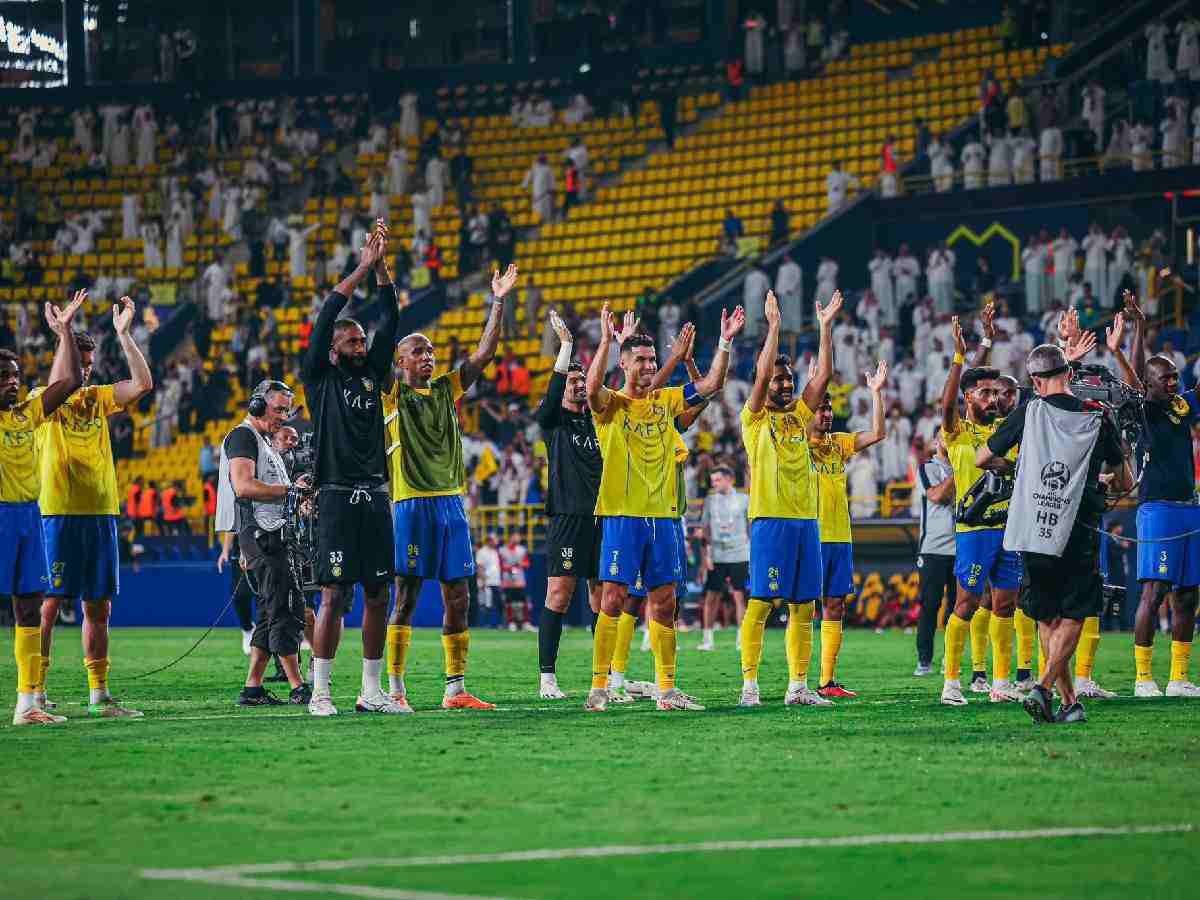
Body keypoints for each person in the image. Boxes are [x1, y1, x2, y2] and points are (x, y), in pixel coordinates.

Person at [584, 302, 744, 712]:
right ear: (623, 364)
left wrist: (724, 341)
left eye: (652, 359)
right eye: (640, 359)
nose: (646, 366)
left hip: (665, 518)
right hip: (622, 515)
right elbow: (590, 389)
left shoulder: (666, 402)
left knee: (666, 600)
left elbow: (709, 386)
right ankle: (600, 685)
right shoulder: (612, 406)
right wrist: (605, 340)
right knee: (613, 599)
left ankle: (666, 689)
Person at [384, 264, 519, 713]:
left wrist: (497, 300)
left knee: (458, 594)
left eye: (432, 351)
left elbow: (484, 354)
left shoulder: (446, 389)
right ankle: (395, 688)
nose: (429, 357)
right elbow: (383, 339)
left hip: (451, 505)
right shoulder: (391, 396)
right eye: (419, 352)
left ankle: (454, 688)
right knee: (405, 596)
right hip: (411, 503)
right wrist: (383, 274)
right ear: (400, 362)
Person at [978, 343, 1131, 724]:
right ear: (1070, 373)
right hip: (1078, 526)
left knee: (1046, 615)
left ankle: (1067, 704)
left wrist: (1022, 468)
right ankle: (1046, 688)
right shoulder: (1096, 414)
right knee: (1075, 611)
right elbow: (1123, 479)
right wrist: (1105, 481)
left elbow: (983, 458)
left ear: (1034, 380)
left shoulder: (1027, 412)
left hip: (1034, 523)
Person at [300, 221, 403, 717]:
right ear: (335, 349)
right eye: (354, 343)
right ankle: (321, 691)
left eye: (364, 342)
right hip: (337, 494)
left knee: (380, 591)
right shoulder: (319, 377)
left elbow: (392, 314)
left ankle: (370, 690)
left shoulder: (372, 375)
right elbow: (327, 313)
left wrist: (383, 264)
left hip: (376, 493)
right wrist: (363, 264)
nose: (363, 348)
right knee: (334, 594)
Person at [33, 295, 153, 716]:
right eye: (78, 362)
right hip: (58, 512)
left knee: (98, 606)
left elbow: (142, 385)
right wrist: (64, 331)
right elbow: (56, 387)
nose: (84, 370)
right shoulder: (41, 398)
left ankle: (99, 695)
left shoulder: (99, 397)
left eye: (88, 364)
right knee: (48, 605)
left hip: (100, 511)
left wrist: (124, 335)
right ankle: (35, 694)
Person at [737, 290, 843, 707]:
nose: (784, 384)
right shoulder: (755, 417)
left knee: (804, 606)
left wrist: (825, 326)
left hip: (807, 521)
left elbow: (825, 376)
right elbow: (761, 376)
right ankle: (750, 686)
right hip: (771, 520)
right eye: (779, 379)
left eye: (789, 380)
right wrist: (774, 327)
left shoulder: (800, 416)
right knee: (762, 603)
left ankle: (798, 687)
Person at [5, 292, 85, 726]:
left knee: (29, 608)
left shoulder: (25, 415)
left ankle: (27, 704)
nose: (12, 382)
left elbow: (69, 383)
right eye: (3, 376)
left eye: (15, 375)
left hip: (27, 518)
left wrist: (64, 332)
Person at [937, 316, 1024, 706]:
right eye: (985, 394)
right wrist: (962, 353)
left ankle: (1001, 683)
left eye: (996, 393)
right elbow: (948, 399)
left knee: (1005, 604)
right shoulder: (957, 431)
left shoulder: (1004, 429)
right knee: (967, 604)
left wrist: (986, 342)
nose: (993, 399)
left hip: (1009, 527)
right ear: (969, 397)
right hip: (974, 529)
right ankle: (951, 682)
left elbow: (980, 380)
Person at [1117, 297, 1200, 698]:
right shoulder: (1145, 410)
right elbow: (1133, 380)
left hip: (1189, 509)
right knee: (1154, 592)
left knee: (1188, 595)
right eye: (1165, 379)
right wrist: (1138, 329)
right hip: (1158, 511)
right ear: (1150, 385)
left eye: (1175, 377)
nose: (1173, 383)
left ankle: (1180, 678)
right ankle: (1144, 677)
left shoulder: (1182, 406)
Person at [216, 380, 311, 707]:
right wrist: (291, 493)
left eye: (287, 410)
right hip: (262, 535)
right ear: (257, 405)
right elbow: (243, 486)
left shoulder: (261, 440)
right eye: (278, 409)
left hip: (269, 533)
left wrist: (295, 496)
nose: (284, 416)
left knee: (272, 612)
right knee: (286, 607)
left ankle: (252, 687)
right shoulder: (243, 436)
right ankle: (298, 685)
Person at [809, 360, 889, 697]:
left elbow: (878, 434)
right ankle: (789, 679)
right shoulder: (797, 442)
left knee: (836, 604)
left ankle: (826, 681)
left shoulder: (839, 443)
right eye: (820, 409)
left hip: (839, 535)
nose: (826, 414)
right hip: (808, 534)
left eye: (829, 409)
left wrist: (876, 394)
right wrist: (813, 380)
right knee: (794, 605)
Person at [534, 311, 603, 698]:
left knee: (602, 595)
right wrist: (567, 350)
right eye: (573, 382)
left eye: (583, 381)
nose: (579, 387)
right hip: (566, 517)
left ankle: (603, 675)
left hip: (602, 517)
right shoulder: (553, 422)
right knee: (559, 594)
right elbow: (548, 399)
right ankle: (547, 677)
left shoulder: (600, 423)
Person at [914, 434, 956, 675]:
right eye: (946, 437)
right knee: (930, 605)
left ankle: (949, 659)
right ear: (937, 442)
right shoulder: (927, 468)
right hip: (934, 548)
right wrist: (959, 470)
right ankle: (924, 659)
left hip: (961, 545)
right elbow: (937, 496)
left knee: (958, 607)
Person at [698, 466, 749, 652]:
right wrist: (707, 556)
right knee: (712, 597)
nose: (714, 484)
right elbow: (705, 528)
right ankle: (707, 639)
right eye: (713, 481)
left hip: (740, 553)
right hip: (717, 555)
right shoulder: (710, 501)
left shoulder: (744, 500)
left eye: (717, 480)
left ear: (730, 479)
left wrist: (751, 551)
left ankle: (742, 638)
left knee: (739, 596)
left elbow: (750, 526)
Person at [499, 534, 531, 630]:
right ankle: (511, 622)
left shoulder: (522, 550)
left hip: (519, 580)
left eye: (518, 537)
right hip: (507, 580)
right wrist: (508, 568)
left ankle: (526, 623)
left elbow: (527, 563)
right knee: (509, 602)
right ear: (510, 538)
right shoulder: (502, 550)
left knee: (524, 601)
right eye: (515, 537)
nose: (517, 539)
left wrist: (520, 564)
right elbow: (499, 565)